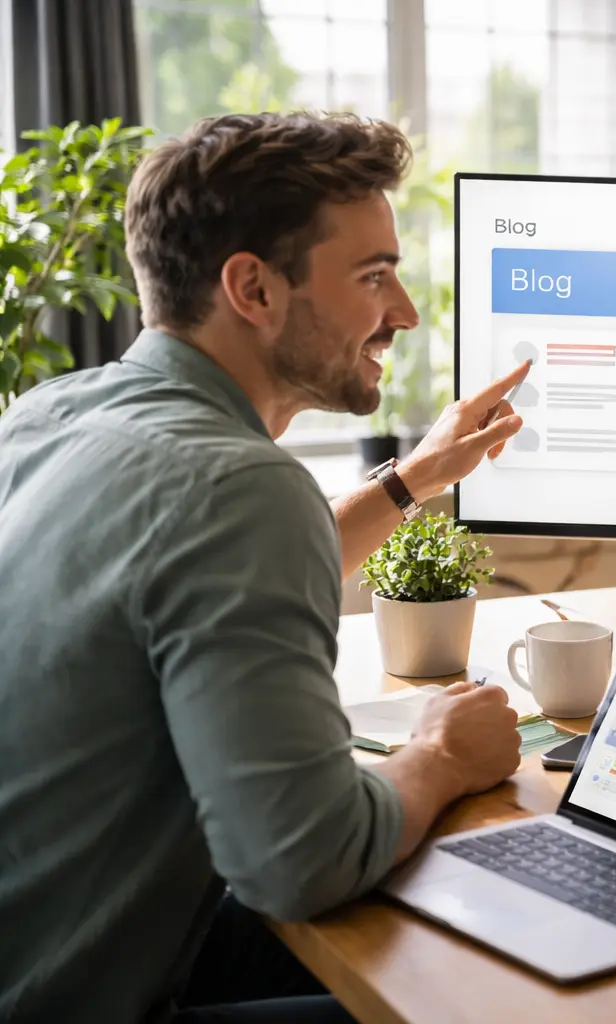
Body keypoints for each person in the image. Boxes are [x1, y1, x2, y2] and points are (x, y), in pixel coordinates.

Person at [0, 112, 534, 1023]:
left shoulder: (50, 415)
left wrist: (416, 477)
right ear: (251, 287)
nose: (402, 313)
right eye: (374, 278)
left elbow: (197, 570)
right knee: (502, 1003)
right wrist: (440, 756)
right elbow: (302, 864)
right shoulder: (237, 488)